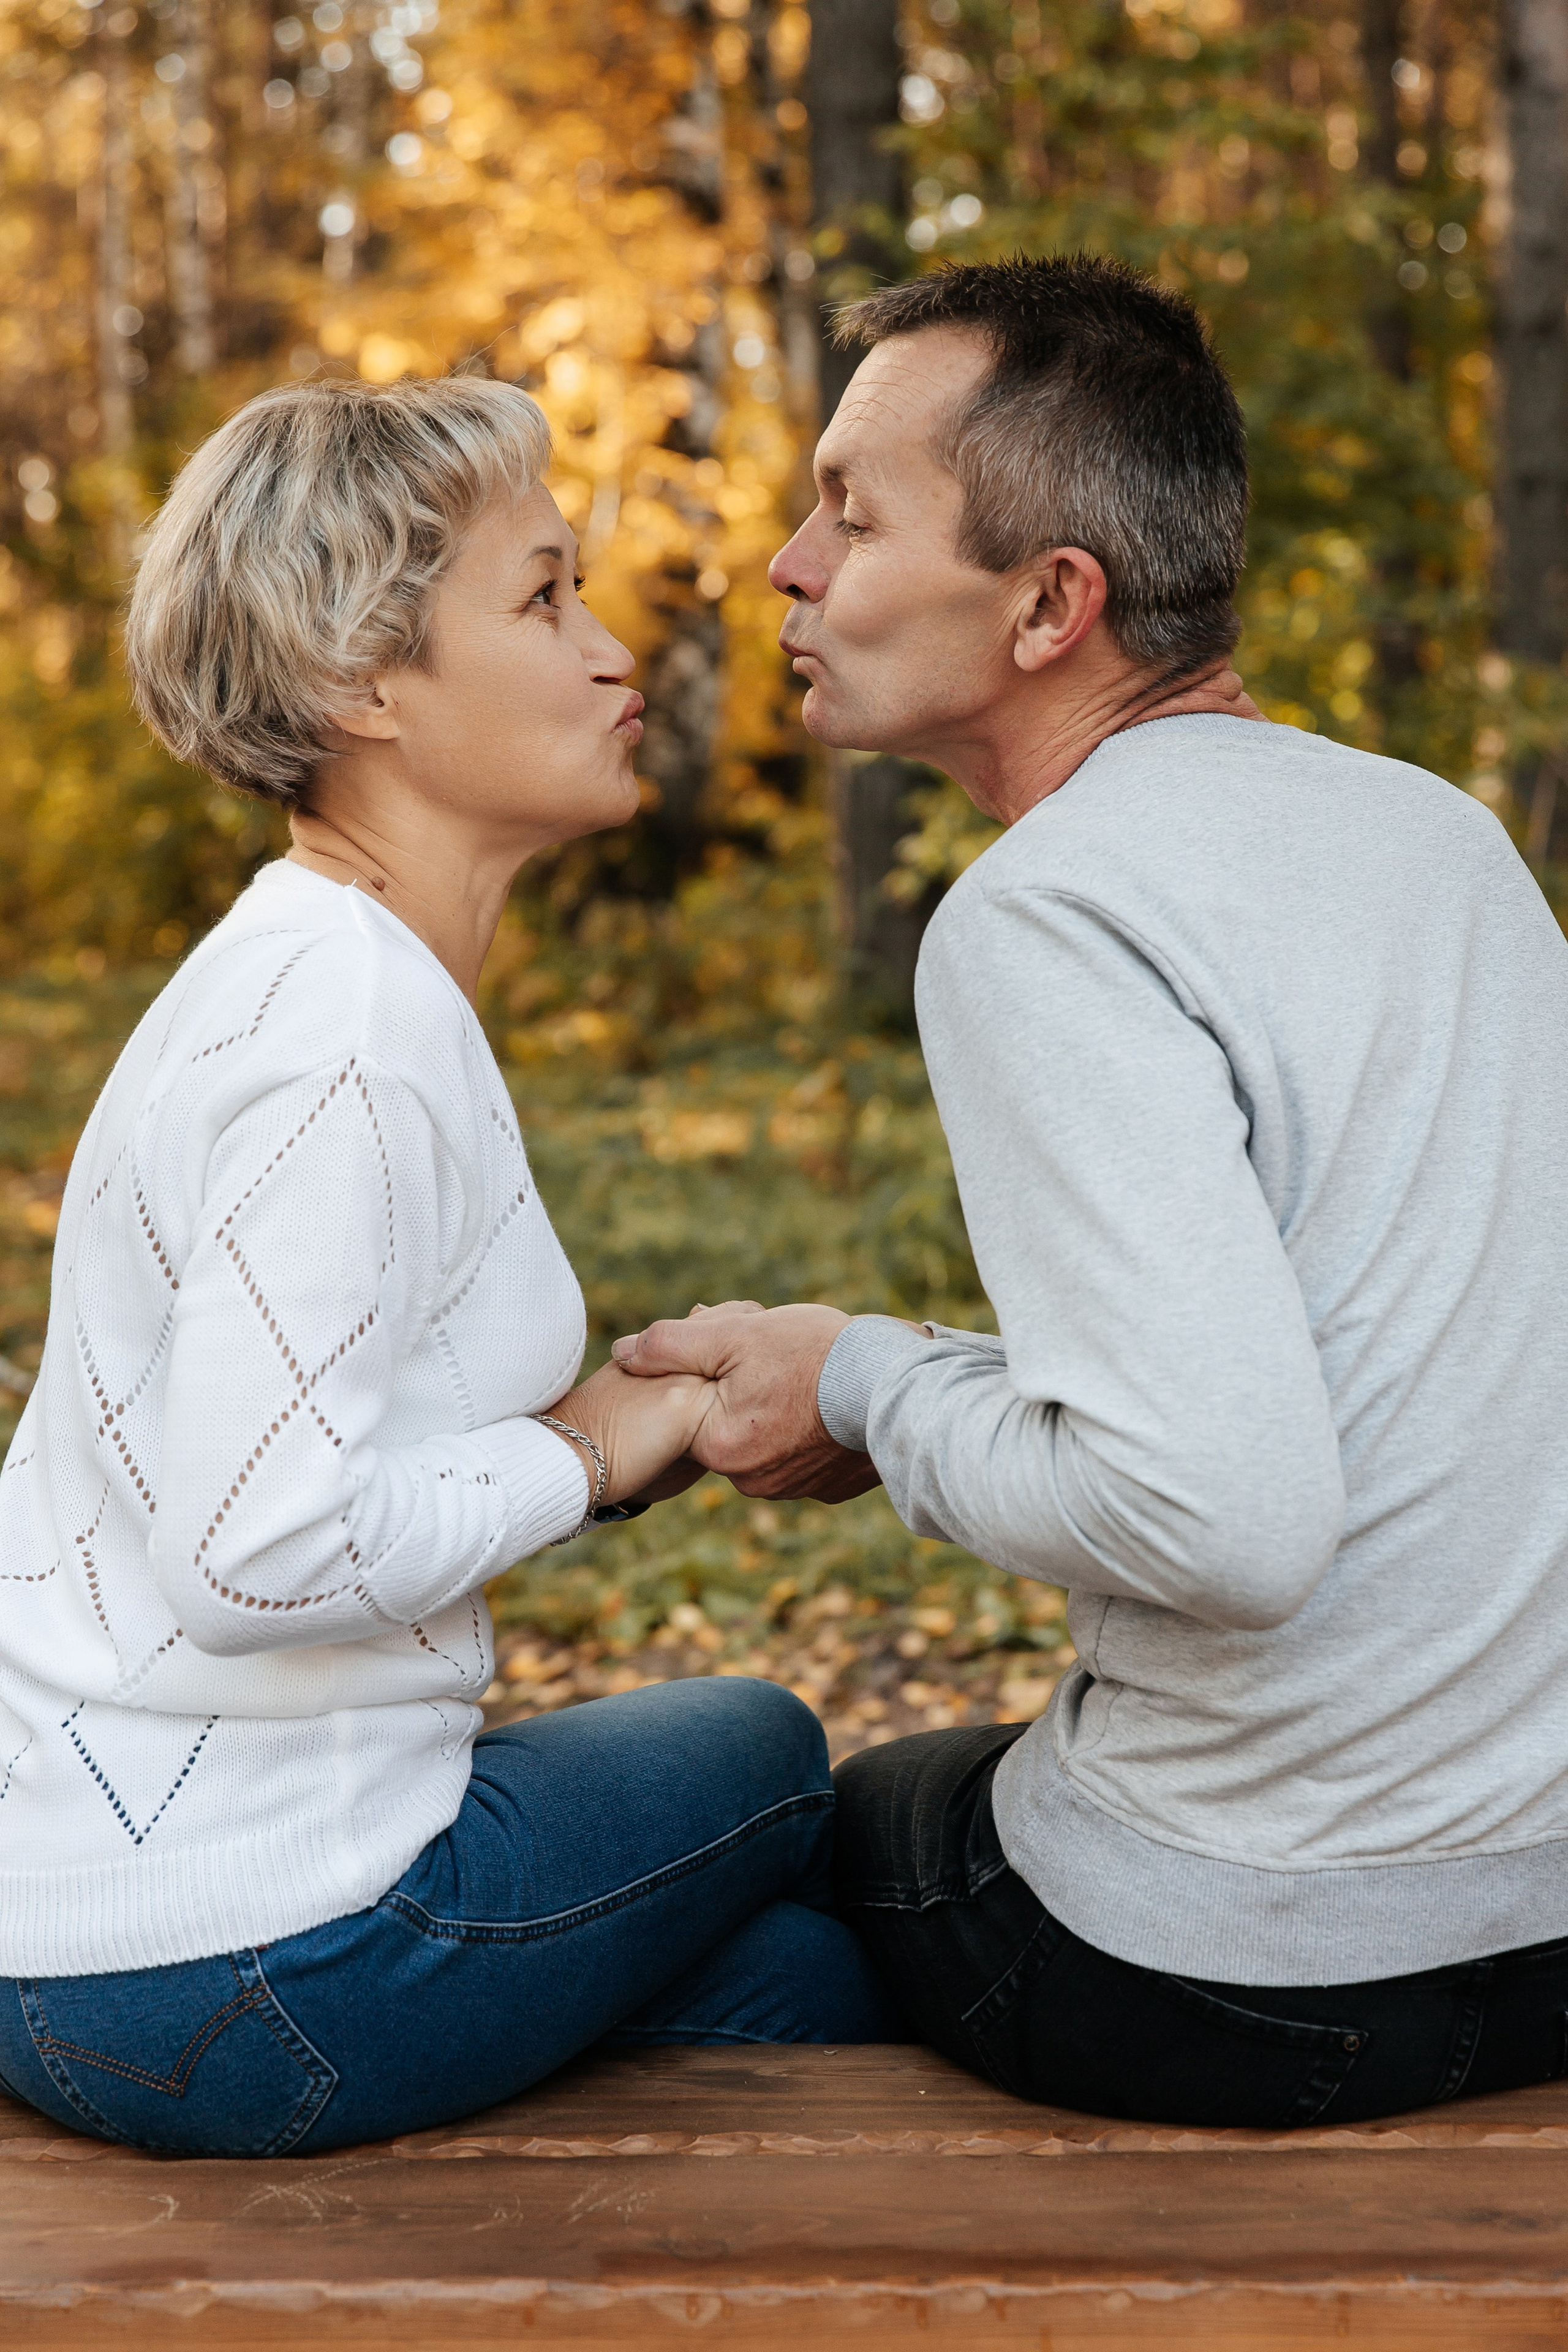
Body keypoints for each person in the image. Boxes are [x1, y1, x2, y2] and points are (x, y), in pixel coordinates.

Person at [612, 254, 1568, 2130]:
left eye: (851, 513)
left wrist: (866, 1384)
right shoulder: (1440, 837)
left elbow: (1217, 1519)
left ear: (1054, 603)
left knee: (786, 1832)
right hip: (1545, 1922)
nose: (791, 567)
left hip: (1251, 1981)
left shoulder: (1052, 914)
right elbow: (1359, 1357)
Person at [0, 375, 894, 2160]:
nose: (613, 650)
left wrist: (601, 1434)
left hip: (88, 1944)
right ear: (358, 682)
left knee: (801, 1987)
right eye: (546, 596)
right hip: (240, 1960)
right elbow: (257, 1553)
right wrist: (590, 1448)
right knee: (777, 1750)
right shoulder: (340, 1036)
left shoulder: (308, 975)